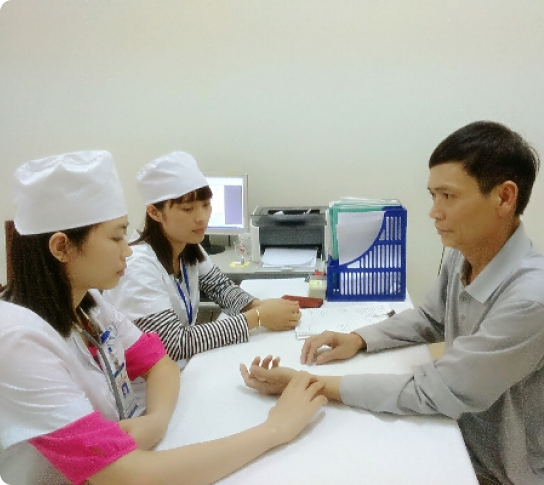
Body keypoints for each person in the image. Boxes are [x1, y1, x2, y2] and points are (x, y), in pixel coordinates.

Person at [240, 121, 544, 485]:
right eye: (433, 195)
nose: (434, 212)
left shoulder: (532, 300)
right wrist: (360, 338)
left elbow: (432, 392)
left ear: (504, 197)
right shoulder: (465, 253)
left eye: (448, 196)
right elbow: (431, 318)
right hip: (467, 436)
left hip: (513, 474)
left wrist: (309, 383)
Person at [0, 151, 326, 485]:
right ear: (61, 248)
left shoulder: (91, 305)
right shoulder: (18, 342)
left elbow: (159, 362)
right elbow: (128, 475)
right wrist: (274, 429)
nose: (126, 249)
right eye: (116, 237)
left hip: (132, 442)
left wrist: (155, 422)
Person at [103, 151, 300, 371]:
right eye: (187, 209)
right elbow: (173, 344)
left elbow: (220, 287)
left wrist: (259, 306)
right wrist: (259, 317)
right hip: (147, 384)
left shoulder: (187, 243)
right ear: (154, 212)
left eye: (206, 205)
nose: (202, 217)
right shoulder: (137, 266)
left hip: (182, 369)